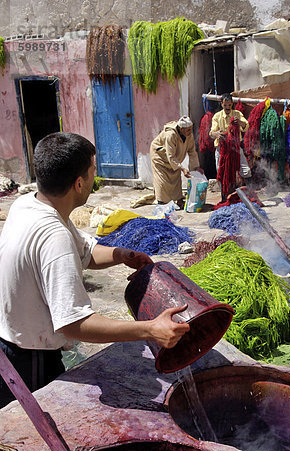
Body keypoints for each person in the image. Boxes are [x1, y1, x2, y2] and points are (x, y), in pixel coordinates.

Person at [0, 132, 190, 407]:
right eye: (92, 171)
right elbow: (74, 324)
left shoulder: (30, 204)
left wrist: (123, 255)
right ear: (79, 183)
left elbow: (85, 251)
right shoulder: (53, 236)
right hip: (30, 362)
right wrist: (149, 329)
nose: (94, 178)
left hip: (10, 346)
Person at [150, 116, 204, 209]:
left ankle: (179, 200)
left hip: (173, 159)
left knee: (176, 176)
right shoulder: (171, 135)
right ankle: (162, 202)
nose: (190, 132)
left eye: (191, 129)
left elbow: (192, 152)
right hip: (160, 156)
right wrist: (182, 168)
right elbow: (170, 156)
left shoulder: (188, 135)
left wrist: (196, 167)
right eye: (188, 130)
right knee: (162, 180)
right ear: (181, 129)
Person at [210, 93, 251, 189]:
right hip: (222, 149)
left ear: (232, 104)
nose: (227, 107)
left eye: (229, 105)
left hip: (235, 148)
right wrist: (216, 134)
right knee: (222, 173)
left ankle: (250, 193)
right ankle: (224, 196)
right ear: (221, 104)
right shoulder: (217, 116)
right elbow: (211, 133)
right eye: (225, 105)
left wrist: (240, 122)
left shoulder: (237, 114)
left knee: (246, 170)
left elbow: (246, 126)